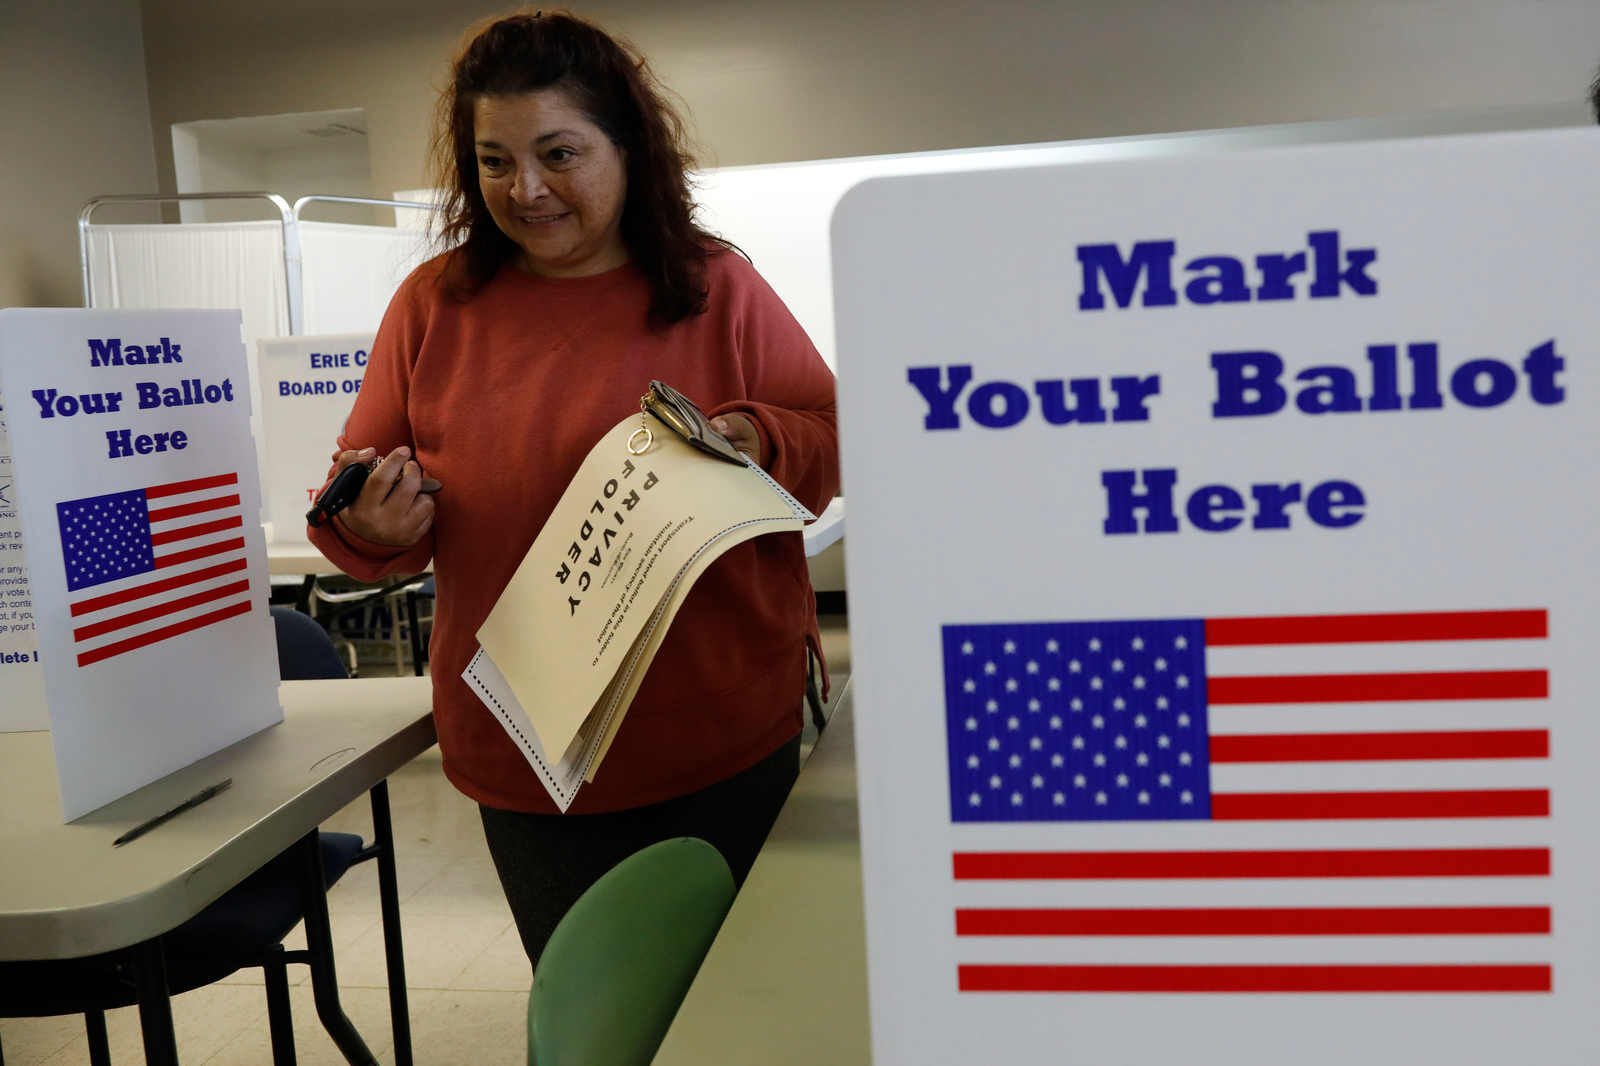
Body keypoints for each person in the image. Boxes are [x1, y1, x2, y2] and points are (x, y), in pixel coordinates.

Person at [306, 9, 839, 966]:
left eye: (559, 152)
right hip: (530, 747)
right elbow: (359, 493)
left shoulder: (716, 288)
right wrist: (377, 517)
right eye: (496, 160)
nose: (529, 189)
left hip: (721, 727)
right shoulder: (436, 304)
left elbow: (833, 439)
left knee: (740, 1015)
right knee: (594, 1013)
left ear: (629, 148)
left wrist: (761, 435)